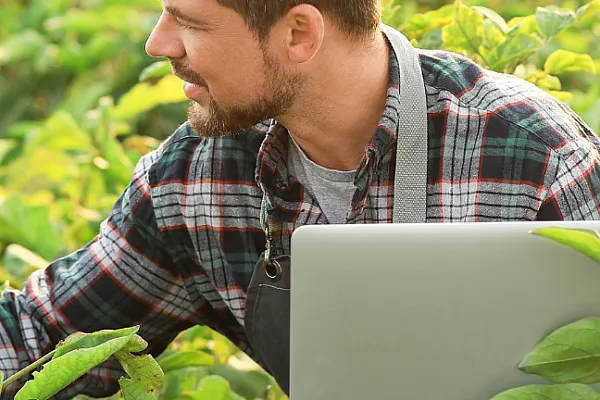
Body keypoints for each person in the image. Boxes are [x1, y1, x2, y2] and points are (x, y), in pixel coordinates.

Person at [1, 0, 600, 398]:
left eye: (191, 22)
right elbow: (41, 335)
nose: (160, 44)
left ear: (298, 32)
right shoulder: (198, 177)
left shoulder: (533, 153)